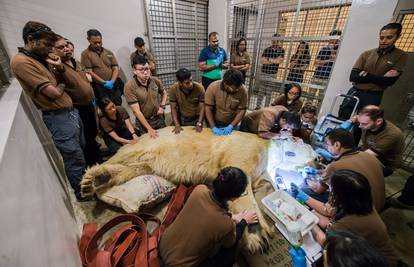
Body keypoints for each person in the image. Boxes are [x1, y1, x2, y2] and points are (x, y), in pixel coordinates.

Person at [10, 21, 86, 200]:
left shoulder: (39, 57)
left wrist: (59, 68)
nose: (49, 49)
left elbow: (59, 83)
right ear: (31, 40)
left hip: (69, 112)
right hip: (58, 117)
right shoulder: (21, 62)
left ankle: (85, 184)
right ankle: (83, 194)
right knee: (74, 157)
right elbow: (53, 93)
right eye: (46, 44)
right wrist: (60, 85)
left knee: (79, 152)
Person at [291, 169, 398, 267]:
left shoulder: (348, 224)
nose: (329, 191)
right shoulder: (361, 203)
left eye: (331, 189)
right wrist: (305, 199)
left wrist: (308, 219)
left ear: (341, 197)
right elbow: (329, 212)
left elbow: (326, 242)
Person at [159, 167, 258, 267]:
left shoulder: (199, 189)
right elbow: (230, 242)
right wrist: (244, 221)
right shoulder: (225, 225)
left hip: (161, 247)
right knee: (232, 249)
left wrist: (231, 217)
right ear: (234, 197)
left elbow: (206, 214)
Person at [339, 23, 407, 120]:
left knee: (364, 124)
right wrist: (380, 78)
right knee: (342, 117)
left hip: (374, 95)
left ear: (398, 37)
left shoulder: (400, 56)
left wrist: (366, 75)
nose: (384, 41)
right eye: (381, 37)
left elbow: (389, 81)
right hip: (355, 91)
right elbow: (353, 77)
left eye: (389, 37)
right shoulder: (367, 54)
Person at [306, 129, 385, 212]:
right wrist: (318, 171)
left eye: (328, 144)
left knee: (306, 190)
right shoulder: (368, 155)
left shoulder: (335, 166)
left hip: (360, 213)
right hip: (379, 206)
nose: (327, 147)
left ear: (337, 145)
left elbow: (318, 189)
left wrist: (306, 179)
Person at [52, 37, 100, 166]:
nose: (67, 49)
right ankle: (91, 163)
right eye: (61, 47)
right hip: (77, 108)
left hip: (89, 103)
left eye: (67, 46)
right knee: (85, 137)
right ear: (53, 51)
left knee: (93, 132)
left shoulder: (76, 63)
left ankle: (96, 159)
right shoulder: (56, 68)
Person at [124, 55, 167, 138]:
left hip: (159, 118)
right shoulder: (129, 87)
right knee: (149, 146)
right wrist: (149, 128)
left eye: (147, 69)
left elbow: (164, 93)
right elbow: (136, 111)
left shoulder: (155, 81)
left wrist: (162, 106)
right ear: (134, 70)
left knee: (164, 140)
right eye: (141, 69)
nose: (145, 72)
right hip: (144, 122)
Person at [81, 29, 124, 105]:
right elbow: (89, 72)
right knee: (107, 107)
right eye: (95, 43)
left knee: (118, 103)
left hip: (113, 84)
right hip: (100, 87)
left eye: (99, 42)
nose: (98, 44)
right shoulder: (85, 54)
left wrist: (112, 82)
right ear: (88, 40)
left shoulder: (108, 52)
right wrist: (103, 82)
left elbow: (115, 68)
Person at [205, 69, 247, 136]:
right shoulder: (213, 87)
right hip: (215, 121)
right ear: (225, 83)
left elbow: (242, 110)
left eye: (238, 88)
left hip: (232, 122)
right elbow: (208, 108)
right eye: (233, 88)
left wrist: (231, 126)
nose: (236, 90)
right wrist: (213, 127)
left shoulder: (242, 90)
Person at [169, 68, 205, 134]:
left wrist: (199, 123)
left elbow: (202, 107)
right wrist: (177, 125)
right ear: (180, 83)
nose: (191, 84)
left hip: (196, 119)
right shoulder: (173, 89)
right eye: (187, 83)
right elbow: (173, 109)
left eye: (191, 80)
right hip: (182, 118)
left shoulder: (199, 88)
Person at [255, 33, 285, 108]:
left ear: (279, 41)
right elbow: (262, 61)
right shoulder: (267, 49)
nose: (274, 41)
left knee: (269, 92)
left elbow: (279, 61)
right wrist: (273, 60)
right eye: (273, 40)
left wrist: (268, 59)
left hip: (273, 74)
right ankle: (258, 106)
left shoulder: (281, 50)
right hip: (264, 72)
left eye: (276, 40)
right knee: (261, 91)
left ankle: (266, 107)